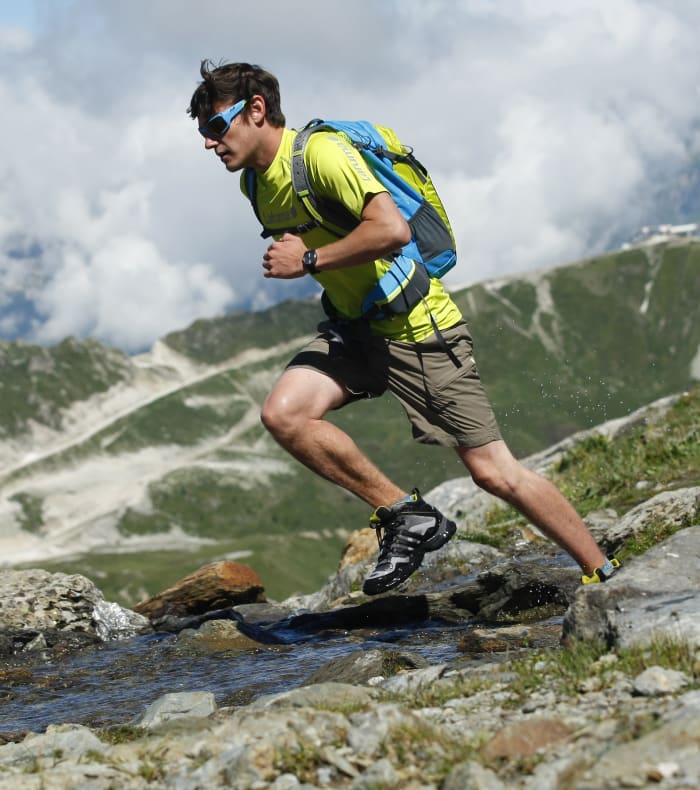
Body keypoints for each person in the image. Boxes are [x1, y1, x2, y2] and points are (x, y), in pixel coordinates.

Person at [187, 60, 620, 595]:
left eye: (215, 127)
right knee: (284, 414)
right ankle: (406, 514)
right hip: (355, 327)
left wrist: (311, 260)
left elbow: (390, 230)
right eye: (203, 132)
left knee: (493, 472)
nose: (209, 144)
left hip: (418, 327)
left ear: (256, 110)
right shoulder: (254, 182)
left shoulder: (321, 155)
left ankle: (603, 572)